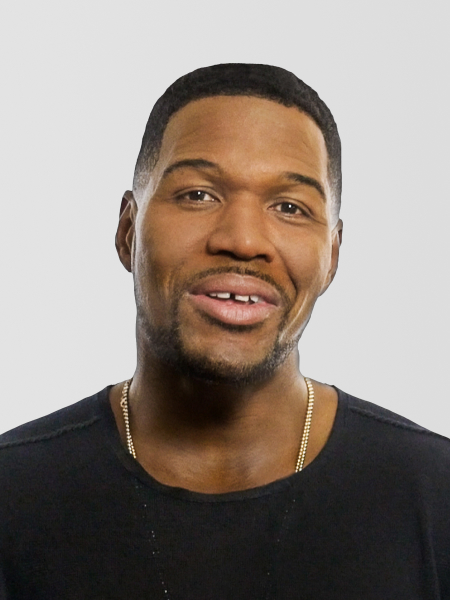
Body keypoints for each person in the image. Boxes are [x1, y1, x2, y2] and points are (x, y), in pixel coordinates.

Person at [0, 63, 449, 599]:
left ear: (332, 255)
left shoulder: (435, 497)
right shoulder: (13, 495)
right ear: (127, 230)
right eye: (198, 195)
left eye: (290, 207)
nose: (242, 239)